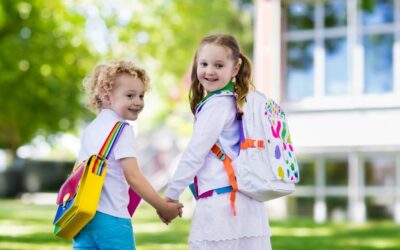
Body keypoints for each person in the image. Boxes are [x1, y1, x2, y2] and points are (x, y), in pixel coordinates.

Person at [165, 34, 272, 249]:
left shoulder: (217, 105)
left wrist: (170, 196)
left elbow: (195, 154)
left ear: (234, 69)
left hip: (222, 205)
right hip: (246, 200)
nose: (209, 71)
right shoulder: (238, 100)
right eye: (203, 64)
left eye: (219, 65)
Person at [73, 60, 183, 250]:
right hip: (112, 219)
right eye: (130, 95)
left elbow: (77, 170)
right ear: (107, 98)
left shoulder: (91, 128)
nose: (138, 102)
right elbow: (133, 176)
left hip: (83, 218)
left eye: (141, 95)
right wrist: (162, 206)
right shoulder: (121, 129)